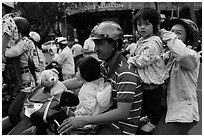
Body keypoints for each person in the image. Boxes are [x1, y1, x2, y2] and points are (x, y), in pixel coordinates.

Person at [58, 21, 143, 135]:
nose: (95, 48)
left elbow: (122, 112)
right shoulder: (104, 67)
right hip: (103, 124)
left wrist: (84, 120)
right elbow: (80, 80)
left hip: (119, 130)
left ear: (115, 44)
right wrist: (54, 85)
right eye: (95, 43)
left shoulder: (125, 73)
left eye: (100, 44)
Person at [153, 18, 201, 135]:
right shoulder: (166, 57)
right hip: (165, 111)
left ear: (187, 39)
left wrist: (167, 34)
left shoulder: (191, 56)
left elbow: (181, 54)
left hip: (182, 114)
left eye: (178, 33)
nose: (173, 35)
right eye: (172, 31)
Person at [127, 8, 166, 132]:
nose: (142, 27)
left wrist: (130, 60)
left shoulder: (154, 42)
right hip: (145, 81)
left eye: (147, 24)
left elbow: (144, 60)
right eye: (139, 24)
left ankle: (154, 121)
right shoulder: (141, 41)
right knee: (146, 104)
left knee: (153, 105)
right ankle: (149, 117)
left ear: (155, 26)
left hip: (153, 82)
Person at [5, 17, 36, 127]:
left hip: (28, 86)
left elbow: (9, 53)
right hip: (19, 85)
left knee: (12, 112)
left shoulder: (26, 42)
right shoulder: (19, 42)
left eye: (13, 30)